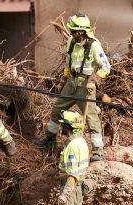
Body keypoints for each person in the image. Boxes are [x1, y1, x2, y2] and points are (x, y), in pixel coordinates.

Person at [36, 13, 110, 161]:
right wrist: (63, 81)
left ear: (81, 31)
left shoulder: (94, 45)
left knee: (91, 118)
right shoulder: (71, 42)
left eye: (74, 30)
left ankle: (98, 152)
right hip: (71, 82)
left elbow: (106, 67)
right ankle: (50, 139)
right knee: (57, 109)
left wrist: (94, 79)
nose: (71, 33)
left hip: (86, 85)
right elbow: (68, 65)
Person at [57, 109, 89, 205]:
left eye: (63, 125)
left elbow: (72, 175)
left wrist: (64, 194)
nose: (61, 128)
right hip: (80, 186)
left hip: (72, 186)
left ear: (68, 127)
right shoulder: (81, 141)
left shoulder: (71, 146)